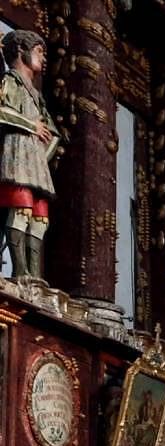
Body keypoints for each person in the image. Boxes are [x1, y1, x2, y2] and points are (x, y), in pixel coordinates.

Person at [0, 29, 57, 282]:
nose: (44, 58)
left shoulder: (37, 95)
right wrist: (31, 125)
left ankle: (34, 273)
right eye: (39, 51)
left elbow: (52, 132)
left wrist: (44, 153)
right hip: (18, 152)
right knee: (21, 209)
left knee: (40, 217)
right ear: (21, 50)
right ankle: (20, 271)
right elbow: (2, 111)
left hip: (35, 160)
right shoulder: (11, 80)